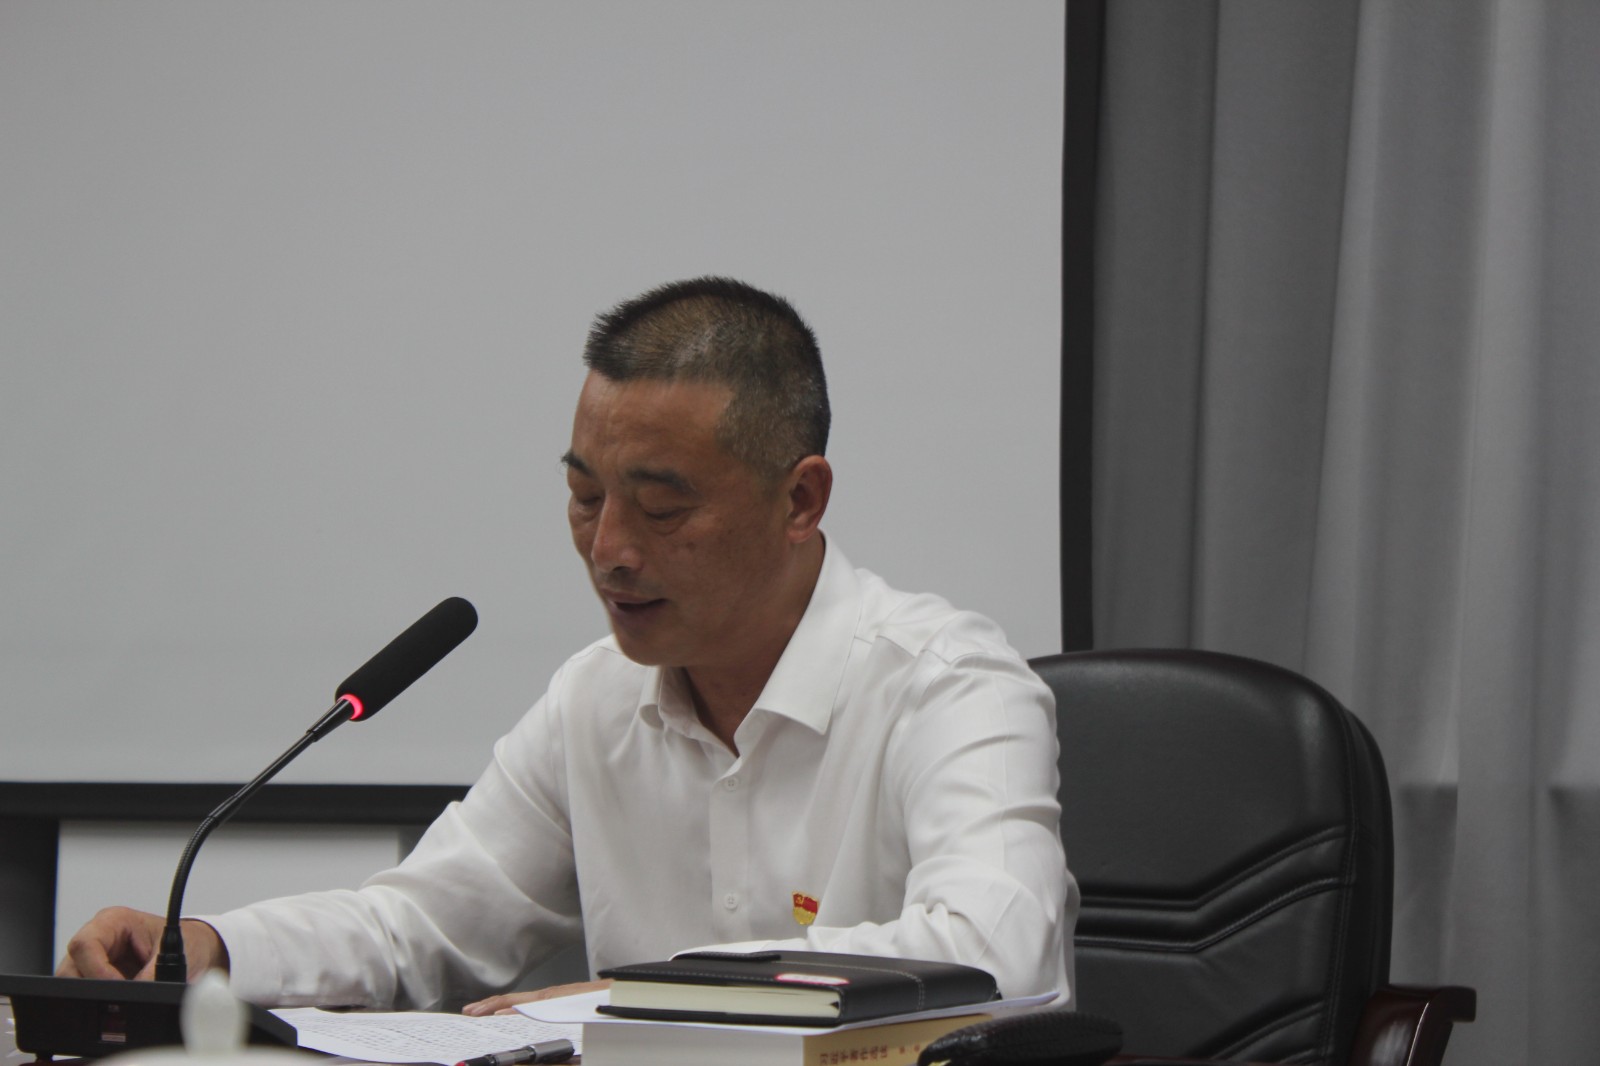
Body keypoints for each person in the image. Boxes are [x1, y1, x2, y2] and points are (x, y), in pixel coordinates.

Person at [57, 277, 1077, 1012]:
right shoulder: (594, 701)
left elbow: (999, 951)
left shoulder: (950, 688)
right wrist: (211, 947)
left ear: (799, 499)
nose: (609, 549)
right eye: (585, 497)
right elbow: (421, 924)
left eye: (661, 507)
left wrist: (646, 995)